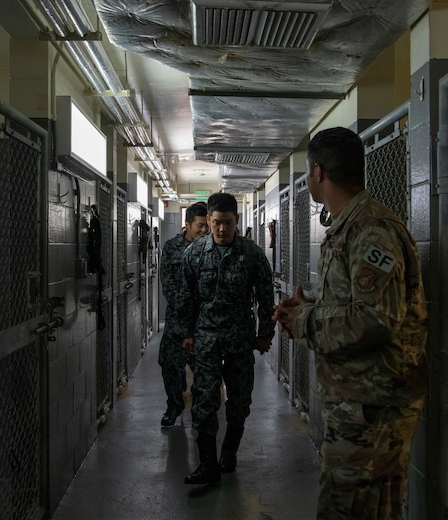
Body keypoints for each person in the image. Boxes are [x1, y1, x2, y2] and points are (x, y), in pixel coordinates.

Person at [272, 127, 428, 519]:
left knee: (350, 510)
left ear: (318, 173)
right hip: (359, 406)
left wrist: (305, 319)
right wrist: (309, 306)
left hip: (370, 410)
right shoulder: (348, 225)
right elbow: (357, 303)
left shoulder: (370, 229)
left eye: (307, 173)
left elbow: (376, 318)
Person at [178, 192, 275, 485]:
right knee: (204, 401)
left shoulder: (251, 254)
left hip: (239, 339)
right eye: (217, 223)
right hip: (206, 338)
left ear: (236, 221)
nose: (222, 229)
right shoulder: (194, 253)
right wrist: (186, 333)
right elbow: (185, 297)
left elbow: (265, 296)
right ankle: (207, 463)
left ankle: (229, 452)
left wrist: (264, 334)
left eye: (228, 223)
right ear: (208, 220)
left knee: (239, 399)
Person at [158, 202, 209, 427]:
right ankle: (175, 404)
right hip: (177, 322)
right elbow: (167, 284)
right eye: (199, 225)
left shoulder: (211, 248)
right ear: (187, 224)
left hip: (203, 323)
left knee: (204, 369)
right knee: (169, 364)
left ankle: (200, 408)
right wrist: (186, 309)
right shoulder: (171, 247)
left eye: (206, 225)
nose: (204, 230)